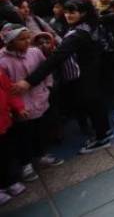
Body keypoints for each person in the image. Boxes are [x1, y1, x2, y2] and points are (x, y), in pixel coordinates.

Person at [12, 0, 113, 154]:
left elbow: (55, 59)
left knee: (93, 106)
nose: (68, 15)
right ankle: (104, 133)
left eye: (72, 12)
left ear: (83, 13)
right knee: (96, 105)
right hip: (95, 73)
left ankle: (101, 138)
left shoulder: (77, 34)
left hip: (84, 76)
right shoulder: (90, 25)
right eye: (66, 11)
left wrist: (29, 81)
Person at [0, 25, 63, 183]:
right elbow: (4, 88)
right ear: (10, 41)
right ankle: (26, 163)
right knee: (24, 135)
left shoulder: (35, 52)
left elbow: (45, 69)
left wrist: (48, 87)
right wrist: (13, 107)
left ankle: (41, 155)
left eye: (28, 38)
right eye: (22, 39)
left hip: (40, 99)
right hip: (21, 106)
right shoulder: (3, 61)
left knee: (41, 130)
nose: (28, 41)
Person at [0, 63, 26, 205]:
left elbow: (9, 91)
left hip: (4, 123)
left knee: (6, 155)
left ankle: (9, 182)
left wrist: (19, 107)